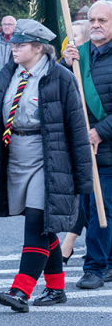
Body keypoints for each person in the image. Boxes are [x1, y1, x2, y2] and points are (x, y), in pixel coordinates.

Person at [0, 19, 92, 311]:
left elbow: (77, 130)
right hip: (15, 153)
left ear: (39, 48)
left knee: (37, 222)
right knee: (45, 225)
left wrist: (82, 178)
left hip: (49, 157)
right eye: (13, 44)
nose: (14, 48)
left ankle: (21, 290)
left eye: (21, 44)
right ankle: (55, 288)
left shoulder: (61, 79)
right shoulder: (8, 74)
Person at [63, 2, 112, 289]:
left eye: (102, 20)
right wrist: (64, 64)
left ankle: (93, 267)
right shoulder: (78, 56)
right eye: (91, 20)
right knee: (91, 207)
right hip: (85, 149)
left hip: (105, 145)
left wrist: (100, 132)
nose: (95, 24)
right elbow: (58, 89)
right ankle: (106, 263)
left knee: (100, 209)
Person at [60, 19, 90, 263]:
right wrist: (66, 64)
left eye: (75, 39)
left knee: (92, 195)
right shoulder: (66, 65)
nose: (70, 44)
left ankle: (69, 243)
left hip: (97, 137)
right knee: (84, 194)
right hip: (74, 137)